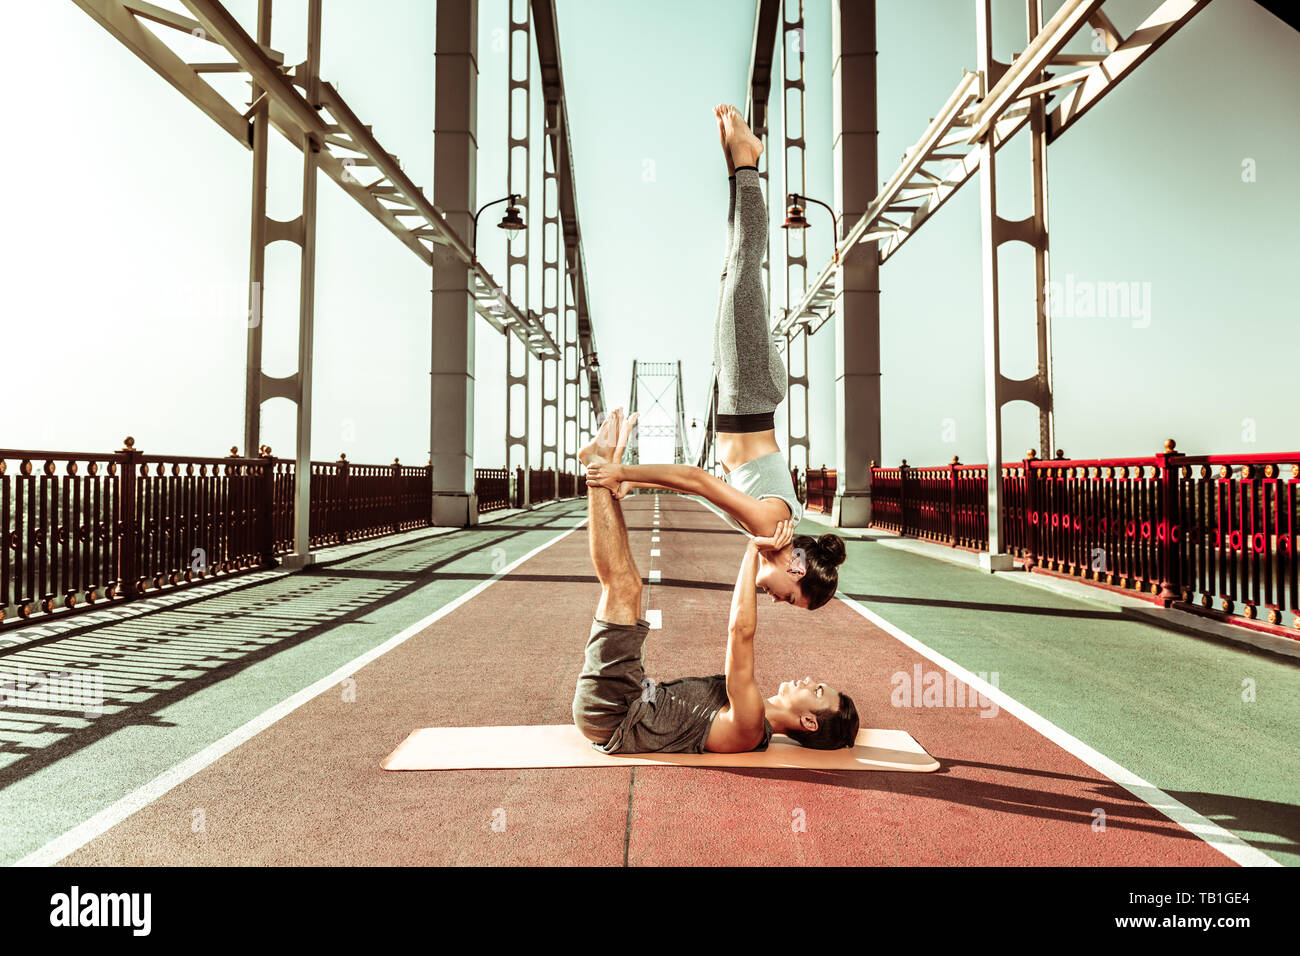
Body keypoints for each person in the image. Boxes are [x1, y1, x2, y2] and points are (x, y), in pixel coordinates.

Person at [584, 104, 846, 610]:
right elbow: (699, 481)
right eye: (792, 598)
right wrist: (625, 476)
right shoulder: (771, 525)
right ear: (796, 568)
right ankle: (748, 161)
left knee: (734, 270)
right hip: (747, 391)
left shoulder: (770, 533)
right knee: (746, 267)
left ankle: (736, 169)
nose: (780, 602)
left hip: (744, 392)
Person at [572, 411, 859, 754]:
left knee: (623, 588)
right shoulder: (751, 709)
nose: (809, 682)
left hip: (614, 713)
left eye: (816, 693)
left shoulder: (752, 725)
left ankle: (596, 467)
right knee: (628, 585)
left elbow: (740, 631)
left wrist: (755, 547)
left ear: (809, 722)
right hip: (628, 696)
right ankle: (599, 467)